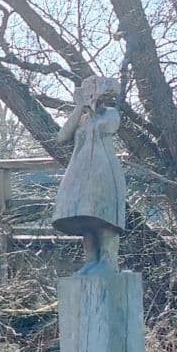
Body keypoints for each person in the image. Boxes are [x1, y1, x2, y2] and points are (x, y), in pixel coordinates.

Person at [52, 75, 126, 265]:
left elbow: (108, 127)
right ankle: (90, 262)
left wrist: (96, 107)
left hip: (104, 171)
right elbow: (61, 136)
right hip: (81, 172)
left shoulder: (110, 113)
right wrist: (79, 108)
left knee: (103, 215)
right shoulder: (81, 119)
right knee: (84, 216)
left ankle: (108, 263)